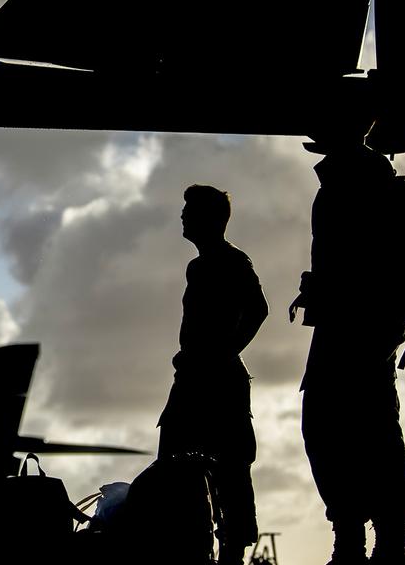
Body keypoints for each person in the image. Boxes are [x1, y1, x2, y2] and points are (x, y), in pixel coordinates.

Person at [291, 126, 405, 565]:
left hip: (356, 329)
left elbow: (362, 266)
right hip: (355, 327)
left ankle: (373, 541)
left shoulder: (353, 186)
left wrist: (330, 290)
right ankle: (368, 539)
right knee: (353, 429)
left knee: (354, 430)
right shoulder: (357, 182)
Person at [157, 184, 268, 565]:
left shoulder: (232, 261)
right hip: (191, 377)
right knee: (173, 464)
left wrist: (224, 351)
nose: (183, 218)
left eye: (191, 211)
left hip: (218, 380)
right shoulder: (200, 265)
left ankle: (232, 554)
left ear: (210, 219)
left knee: (231, 469)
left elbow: (258, 309)